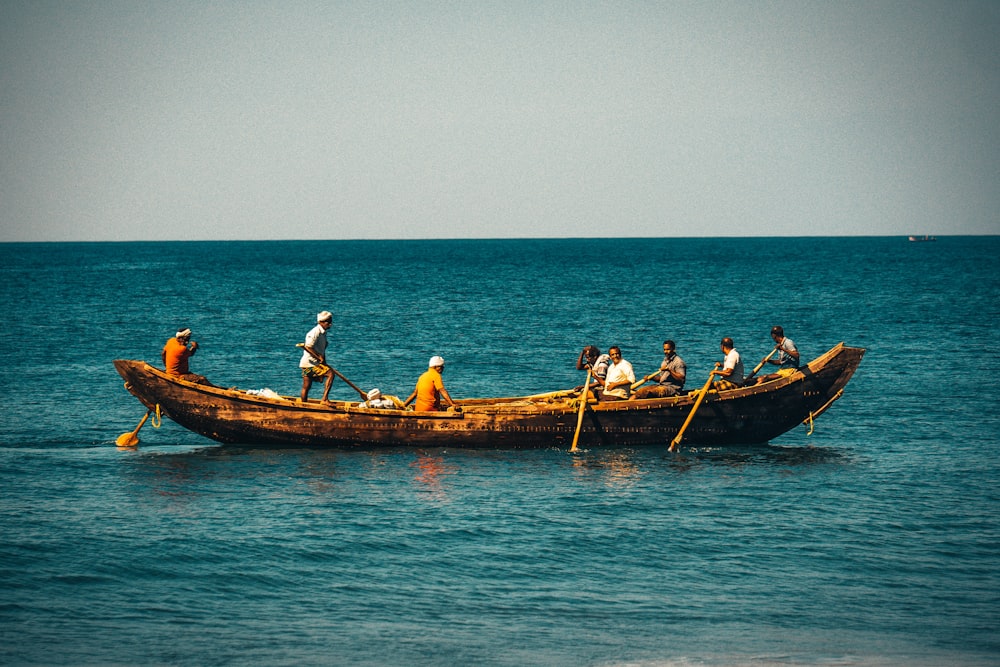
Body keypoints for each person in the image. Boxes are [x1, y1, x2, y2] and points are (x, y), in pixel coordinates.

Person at [299, 311, 335, 404]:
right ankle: (324, 399)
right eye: (327, 321)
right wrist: (319, 357)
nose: (330, 323)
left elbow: (322, 351)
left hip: (311, 363)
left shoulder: (323, 333)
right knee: (330, 374)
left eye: (330, 321)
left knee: (307, 385)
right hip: (310, 363)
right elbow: (308, 347)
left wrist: (324, 361)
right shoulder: (315, 332)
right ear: (321, 322)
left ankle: (304, 405)